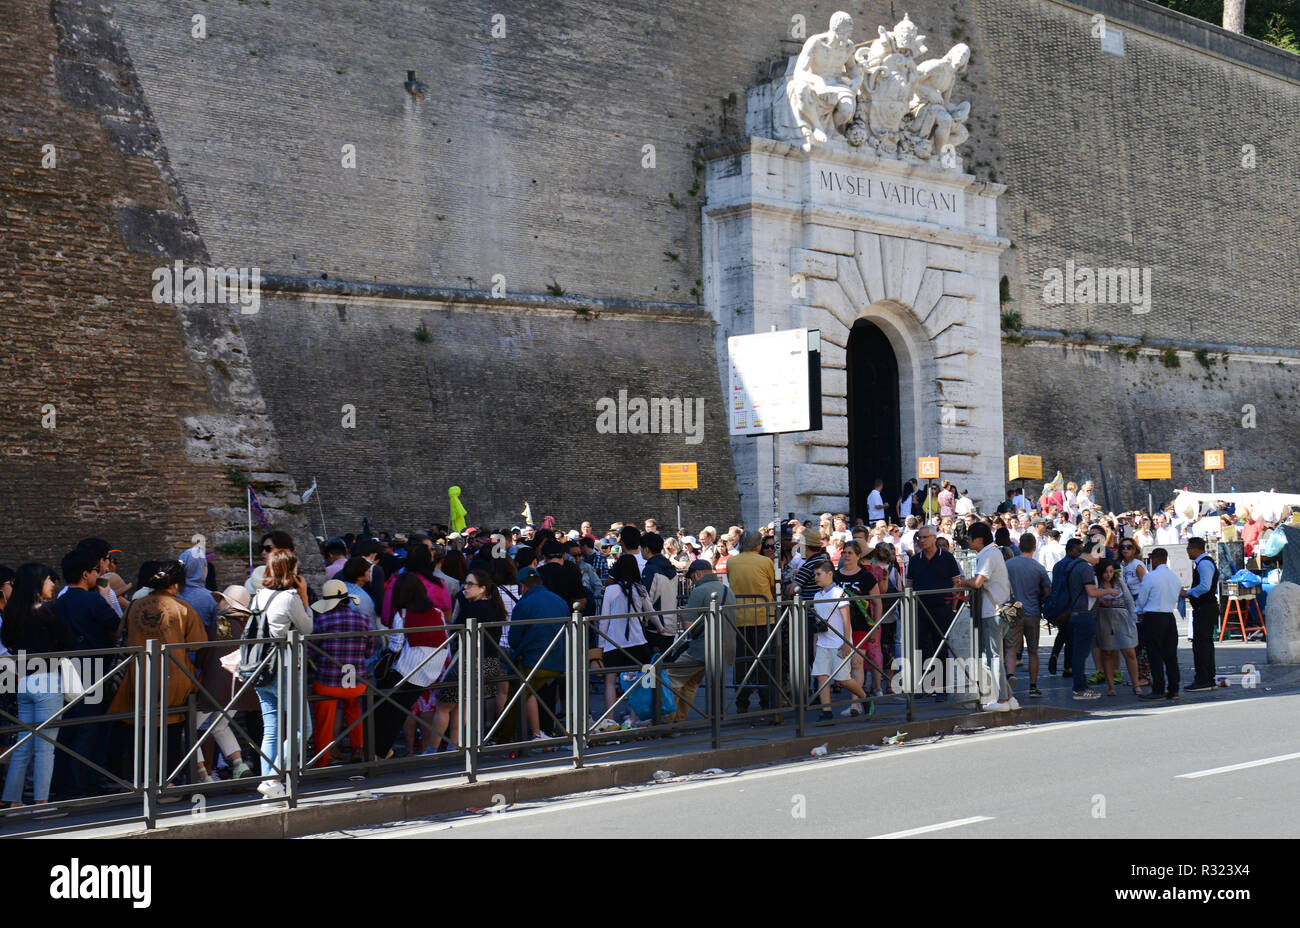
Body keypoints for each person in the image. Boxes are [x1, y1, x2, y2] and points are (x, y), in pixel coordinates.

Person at [109, 561, 208, 787]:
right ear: (175, 585)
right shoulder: (183, 608)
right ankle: (169, 782)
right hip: (174, 679)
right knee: (171, 733)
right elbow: (197, 645)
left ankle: (142, 782)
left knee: (141, 733)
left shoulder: (134, 606)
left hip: (139, 678)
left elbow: (120, 635)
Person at [373, 544, 452, 760]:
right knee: (403, 710)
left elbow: (396, 646)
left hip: (408, 670)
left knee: (382, 708)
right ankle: (396, 749)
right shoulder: (437, 612)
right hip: (432, 670)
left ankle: (379, 751)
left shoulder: (404, 614)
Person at [1, 564, 72, 807]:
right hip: (48, 680)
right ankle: (42, 803)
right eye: (48, 580)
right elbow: (68, 643)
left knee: (23, 744)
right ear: (36, 583)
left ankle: (13, 802)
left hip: (24, 681)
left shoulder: (12, 612)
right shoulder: (47, 613)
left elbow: (9, 643)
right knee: (45, 748)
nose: (53, 584)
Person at [308, 579, 375, 767]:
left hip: (328, 684)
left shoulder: (322, 620)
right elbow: (369, 651)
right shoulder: (363, 620)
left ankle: (321, 760)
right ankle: (358, 749)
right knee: (354, 710)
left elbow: (311, 651)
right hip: (356, 682)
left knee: (324, 721)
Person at [193, 586, 257, 781]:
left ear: (229, 603)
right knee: (219, 725)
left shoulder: (221, 623)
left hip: (215, 686)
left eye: (221, 600)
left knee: (189, 727)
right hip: (241, 688)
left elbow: (205, 653)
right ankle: (238, 764)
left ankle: (202, 773)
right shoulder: (253, 625)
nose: (217, 603)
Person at [500, 567, 568, 745]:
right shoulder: (560, 600)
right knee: (544, 694)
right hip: (561, 661)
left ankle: (503, 740)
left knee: (515, 697)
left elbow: (514, 639)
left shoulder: (524, 604)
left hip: (534, 663)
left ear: (522, 586)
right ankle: (544, 732)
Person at [662, 560, 735, 724]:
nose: (693, 582)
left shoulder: (699, 590)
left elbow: (689, 626)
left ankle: (666, 723)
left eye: (692, 578)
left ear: (697, 574)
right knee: (691, 684)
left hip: (702, 648)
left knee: (671, 679)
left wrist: (683, 614)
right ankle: (679, 721)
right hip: (725, 646)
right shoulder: (726, 590)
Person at [958, 522, 1016, 711]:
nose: (968, 541)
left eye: (970, 538)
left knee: (993, 657)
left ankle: (1002, 700)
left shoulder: (988, 554)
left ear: (979, 539)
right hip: (999, 609)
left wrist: (962, 582)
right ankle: (1008, 696)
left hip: (993, 611)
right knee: (990, 656)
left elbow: (977, 582)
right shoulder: (992, 552)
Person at [904, 525, 963, 700]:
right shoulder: (915, 561)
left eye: (924, 537)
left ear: (933, 538)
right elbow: (909, 585)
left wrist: (952, 601)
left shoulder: (947, 558)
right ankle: (923, 685)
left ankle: (942, 688)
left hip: (941, 609)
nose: (921, 541)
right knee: (921, 647)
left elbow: (957, 582)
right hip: (920, 610)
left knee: (941, 648)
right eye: (919, 538)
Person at [810, 561, 872, 720]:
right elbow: (819, 622)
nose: (815, 578)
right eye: (815, 574)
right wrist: (816, 643)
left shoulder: (839, 593)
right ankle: (827, 711)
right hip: (823, 642)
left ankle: (865, 698)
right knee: (821, 676)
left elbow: (846, 620)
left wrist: (846, 642)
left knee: (843, 679)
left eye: (819, 574)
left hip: (838, 643)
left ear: (830, 574)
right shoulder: (817, 595)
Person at [727, 531, 779, 716]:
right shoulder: (766, 562)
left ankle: (742, 701)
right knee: (764, 661)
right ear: (758, 546)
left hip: (739, 617)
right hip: (763, 617)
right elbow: (773, 586)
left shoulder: (731, 561)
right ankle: (766, 700)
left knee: (742, 662)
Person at [598, 555, 654, 726]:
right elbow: (650, 613)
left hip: (613, 642)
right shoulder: (640, 588)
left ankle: (610, 719)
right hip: (638, 641)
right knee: (639, 680)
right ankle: (634, 718)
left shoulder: (610, 590)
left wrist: (600, 644)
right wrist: (661, 628)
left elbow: (604, 619)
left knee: (610, 680)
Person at [834, 541, 884, 704]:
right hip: (837, 625)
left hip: (860, 624)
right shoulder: (835, 575)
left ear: (858, 556)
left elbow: (877, 603)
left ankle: (855, 703)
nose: (846, 556)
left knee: (857, 662)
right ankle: (862, 697)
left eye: (849, 553)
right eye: (844, 553)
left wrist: (875, 627)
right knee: (842, 665)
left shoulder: (865, 576)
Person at [1005, 533, 1050, 698]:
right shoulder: (1038, 567)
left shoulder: (1008, 564)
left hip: (1013, 610)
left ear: (1019, 546)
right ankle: (1033, 686)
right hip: (1032, 612)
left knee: (1010, 649)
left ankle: (1010, 677)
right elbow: (1047, 590)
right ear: (1034, 547)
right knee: (1033, 651)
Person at [1135, 547, 1183, 700]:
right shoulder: (1175, 577)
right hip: (1169, 616)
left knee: (1154, 655)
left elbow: (1142, 599)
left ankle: (1159, 689)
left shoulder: (1151, 577)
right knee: (1170, 656)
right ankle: (1174, 689)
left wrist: (1138, 611)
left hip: (1153, 616)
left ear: (1155, 560)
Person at [1093, 558, 1143, 697]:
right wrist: (1102, 601)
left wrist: (1133, 618)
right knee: (1107, 652)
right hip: (1104, 618)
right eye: (1105, 572)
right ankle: (1111, 686)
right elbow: (1093, 601)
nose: (1108, 575)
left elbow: (1128, 600)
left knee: (1129, 651)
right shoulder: (1096, 584)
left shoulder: (1119, 582)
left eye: (1110, 571)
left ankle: (1136, 684)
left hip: (1121, 616)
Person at [1184, 537, 1219, 692]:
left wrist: (1188, 593)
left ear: (1195, 548)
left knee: (1201, 645)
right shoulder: (1202, 563)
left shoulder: (1204, 563)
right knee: (1204, 644)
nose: (1187, 551)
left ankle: (1203, 679)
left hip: (1205, 608)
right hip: (1206, 608)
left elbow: (1205, 586)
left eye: (1188, 548)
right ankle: (1208, 678)